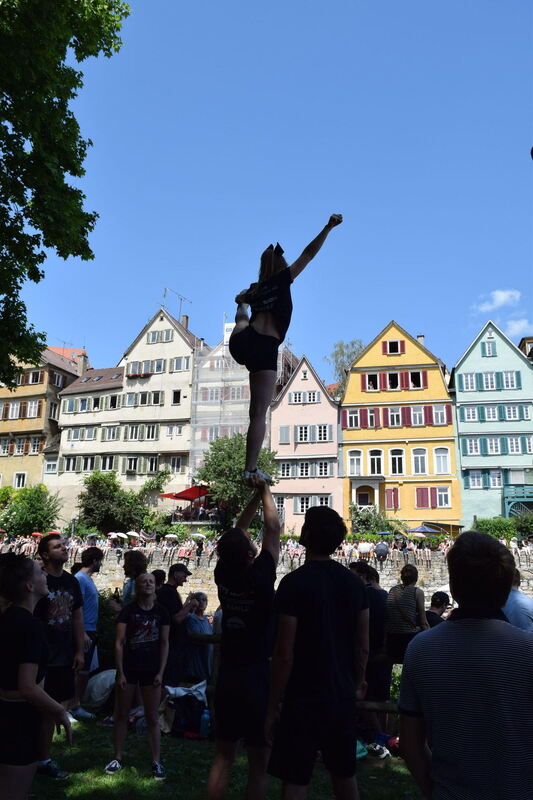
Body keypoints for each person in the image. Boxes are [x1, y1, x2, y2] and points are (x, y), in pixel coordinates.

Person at [399, 531, 533, 800]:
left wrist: (436, 790)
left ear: (454, 586)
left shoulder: (421, 649)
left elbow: (411, 746)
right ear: (507, 585)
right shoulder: (527, 649)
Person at [229, 214, 343, 486]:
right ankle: (250, 469)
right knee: (258, 414)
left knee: (242, 318)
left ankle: (240, 311)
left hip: (243, 339)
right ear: (279, 264)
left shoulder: (255, 289)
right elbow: (309, 253)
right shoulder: (283, 278)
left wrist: (241, 300)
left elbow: (244, 293)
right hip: (266, 346)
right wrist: (327, 227)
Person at [267, 507, 369, 799]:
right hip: (342, 692)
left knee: (296, 777)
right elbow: (362, 644)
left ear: (307, 534)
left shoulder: (293, 584)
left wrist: (274, 701)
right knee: (344, 773)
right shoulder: (354, 583)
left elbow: (284, 652)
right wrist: (359, 680)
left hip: (303, 694)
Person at [207, 477, 280, 800]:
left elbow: (239, 530)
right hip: (256, 673)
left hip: (229, 673)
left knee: (224, 756)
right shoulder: (261, 574)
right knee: (258, 759)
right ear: (250, 552)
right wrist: (265, 490)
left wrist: (255, 495)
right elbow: (273, 532)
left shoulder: (222, 573)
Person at [0, 554, 72, 800]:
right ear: (29, 586)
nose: (45, 575)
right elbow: (27, 687)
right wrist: (59, 711)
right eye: (40, 572)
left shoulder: (7, 618)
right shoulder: (30, 626)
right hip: (18, 719)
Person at [104, 573, 170, 780]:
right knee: (121, 714)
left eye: (151, 581)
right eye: (144, 581)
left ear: (155, 586)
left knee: (152, 716)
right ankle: (117, 757)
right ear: (138, 586)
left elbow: (165, 643)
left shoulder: (162, 613)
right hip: (130, 668)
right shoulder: (128, 611)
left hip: (151, 669)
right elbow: (119, 642)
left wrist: (161, 671)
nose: (148, 584)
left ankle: (156, 760)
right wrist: (120, 671)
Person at [34, 533, 84, 780]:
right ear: (44, 554)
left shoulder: (71, 581)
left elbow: (77, 616)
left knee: (56, 707)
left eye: (64, 544)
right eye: (57, 546)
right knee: (36, 709)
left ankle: (43, 757)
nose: (64, 548)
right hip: (39, 654)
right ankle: (38, 757)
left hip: (63, 653)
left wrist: (78, 649)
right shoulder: (37, 580)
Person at [71, 546, 104, 720]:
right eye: (100, 560)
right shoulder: (80, 579)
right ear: (94, 561)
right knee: (78, 669)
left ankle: (77, 704)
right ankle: (72, 705)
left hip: (91, 629)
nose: (101, 564)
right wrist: (82, 632)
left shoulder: (87, 579)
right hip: (85, 630)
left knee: (84, 671)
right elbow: (77, 607)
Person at [156, 563, 198, 686]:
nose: (186, 579)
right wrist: (191, 605)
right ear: (175, 574)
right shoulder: (169, 593)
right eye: (184, 575)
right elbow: (176, 618)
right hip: (172, 645)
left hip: (171, 643)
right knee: (170, 681)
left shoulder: (166, 592)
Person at [385, 564, 429, 665]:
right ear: (416, 578)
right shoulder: (417, 592)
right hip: (408, 640)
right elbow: (423, 622)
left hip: (391, 640)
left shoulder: (393, 590)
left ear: (402, 577)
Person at [184, 592, 213, 683]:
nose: (201, 602)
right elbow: (196, 639)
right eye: (198, 600)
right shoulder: (191, 618)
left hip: (206, 664)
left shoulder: (206, 620)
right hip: (195, 667)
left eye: (204, 600)